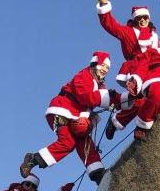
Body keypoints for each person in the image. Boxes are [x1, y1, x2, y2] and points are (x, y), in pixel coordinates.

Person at [19, 51, 128, 183]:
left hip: (77, 117)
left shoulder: (100, 85)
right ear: (94, 63)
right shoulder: (83, 76)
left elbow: (107, 97)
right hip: (63, 110)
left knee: (82, 138)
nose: (105, 69)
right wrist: (109, 100)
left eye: (107, 68)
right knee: (69, 140)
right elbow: (88, 97)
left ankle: (97, 172)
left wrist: (129, 97)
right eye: (103, 65)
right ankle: (33, 159)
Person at [94, 0, 159, 90]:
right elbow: (110, 25)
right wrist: (104, 4)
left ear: (149, 18)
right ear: (135, 20)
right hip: (136, 67)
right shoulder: (127, 32)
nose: (142, 20)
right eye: (139, 18)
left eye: (145, 17)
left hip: (154, 65)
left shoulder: (153, 35)